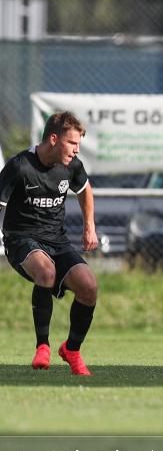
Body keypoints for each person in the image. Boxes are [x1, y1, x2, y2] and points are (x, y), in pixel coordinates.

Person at [0, 112, 99, 376]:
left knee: (89, 287)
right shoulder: (20, 165)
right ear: (54, 139)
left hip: (57, 240)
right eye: (72, 143)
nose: (76, 150)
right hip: (20, 239)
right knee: (46, 271)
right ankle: (42, 346)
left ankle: (72, 350)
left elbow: (85, 189)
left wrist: (89, 225)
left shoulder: (72, 165)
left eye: (78, 144)